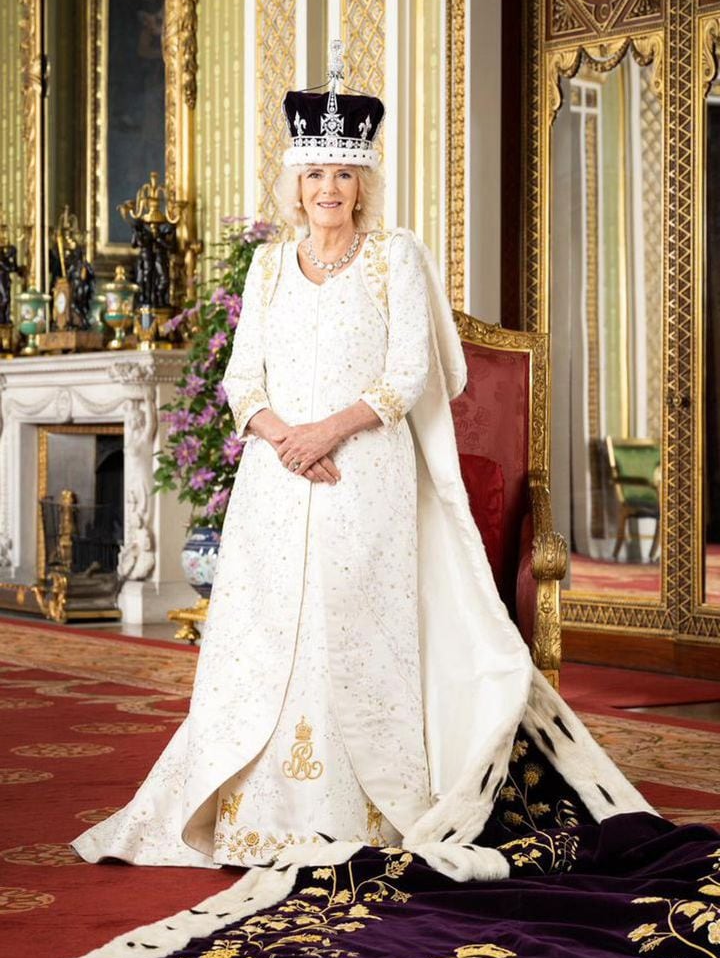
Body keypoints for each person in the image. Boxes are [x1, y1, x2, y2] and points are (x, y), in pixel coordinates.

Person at [71, 44, 648, 873]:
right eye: (315, 176)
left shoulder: (395, 258)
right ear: (294, 186)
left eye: (343, 175)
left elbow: (409, 374)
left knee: (350, 630)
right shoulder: (271, 265)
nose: (328, 190)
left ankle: (365, 810)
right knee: (275, 636)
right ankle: (252, 814)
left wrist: (325, 433)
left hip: (365, 472)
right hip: (275, 481)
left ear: (363, 183)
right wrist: (283, 437)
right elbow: (241, 379)